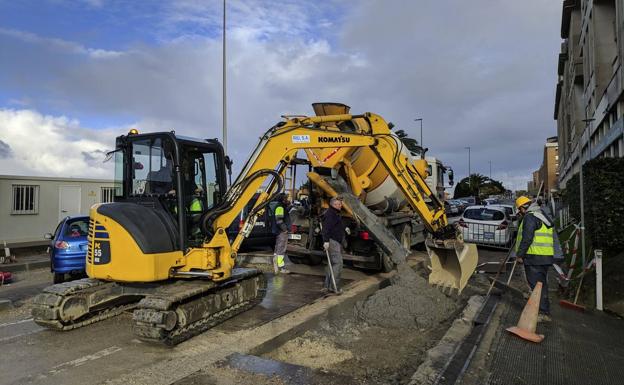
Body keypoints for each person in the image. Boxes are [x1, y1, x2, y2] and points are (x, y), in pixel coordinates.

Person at [514, 196, 564, 322]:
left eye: (519, 210)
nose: (520, 213)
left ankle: (543, 312)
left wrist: (520, 255)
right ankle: (542, 309)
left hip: (534, 257)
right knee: (541, 285)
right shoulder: (542, 214)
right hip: (545, 257)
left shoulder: (530, 217)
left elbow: (527, 238)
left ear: (522, 208)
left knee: (537, 286)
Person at [322, 196, 346, 294]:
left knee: (332, 264)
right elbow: (326, 228)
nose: (339, 205)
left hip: (335, 241)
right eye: (337, 204)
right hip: (333, 241)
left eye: (340, 204)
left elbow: (336, 226)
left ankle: (327, 285)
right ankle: (334, 286)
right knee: (338, 263)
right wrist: (326, 241)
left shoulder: (335, 213)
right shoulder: (331, 214)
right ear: (332, 205)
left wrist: (345, 229)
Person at [272, 193, 291, 274]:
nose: (288, 200)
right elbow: (279, 220)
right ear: (283, 199)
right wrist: (285, 229)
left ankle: (276, 266)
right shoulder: (280, 207)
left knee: (278, 249)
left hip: (280, 231)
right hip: (281, 231)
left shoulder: (281, 206)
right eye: (286, 198)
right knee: (281, 249)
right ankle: (281, 268)